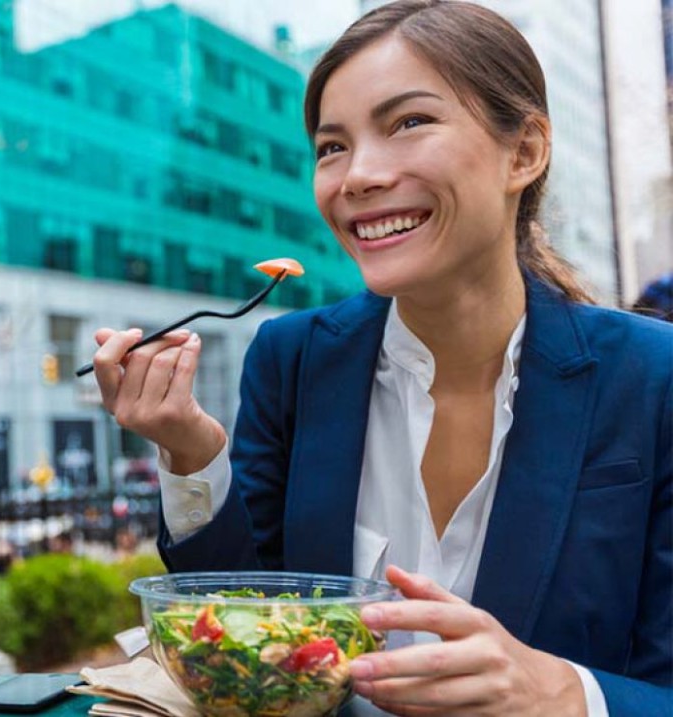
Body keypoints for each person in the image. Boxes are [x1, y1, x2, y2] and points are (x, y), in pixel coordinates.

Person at [89, 2, 671, 715]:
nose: (357, 175)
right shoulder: (290, 359)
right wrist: (191, 452)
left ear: (523, 152)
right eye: (332, 146)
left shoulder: (655, 376)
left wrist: (565, 693)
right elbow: (247, 634)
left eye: (409, 123)